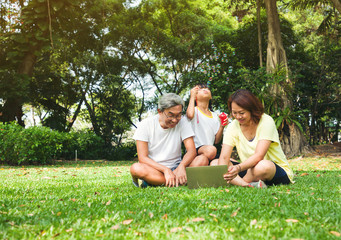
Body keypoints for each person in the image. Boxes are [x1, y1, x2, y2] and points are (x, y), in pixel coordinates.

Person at [218, 89, 294, 188]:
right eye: (234, 113)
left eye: (241, 113)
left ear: (252, 109)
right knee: (216, 163)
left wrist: (237, 168)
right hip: (247, 169)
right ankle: (245, 184)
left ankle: (242, 182)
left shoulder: (266, 121)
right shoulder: (232, 126)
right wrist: (224, 170)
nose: (238, 117)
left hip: (271, 169)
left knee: (262, 166)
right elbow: (224, 157)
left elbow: (259, 156)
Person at [130, 93, 206, 188]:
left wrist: (181, 166)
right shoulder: (145, 125)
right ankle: (178, 181)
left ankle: (158, 182)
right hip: (156, 169)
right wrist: (165, 170)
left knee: (202, 159)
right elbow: (142, 158)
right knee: (136, 168)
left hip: (177, 168)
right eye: (171, 115)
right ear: (160, 111)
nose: (175, 120)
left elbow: (191, 150)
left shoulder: (183, 122)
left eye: (178, 115)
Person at [186, 83, 228, 165]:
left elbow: (216, 140)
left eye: (207, 88)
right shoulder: (194, 110)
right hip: (196, 150)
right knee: (211, 150)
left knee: (229, 160)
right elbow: (190, 115)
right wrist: (192, 97)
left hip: (210, 151)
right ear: (195, 96)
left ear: (211, 96)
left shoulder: (215, 116)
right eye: (200, 89)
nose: (205, 89)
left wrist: (222, 126)